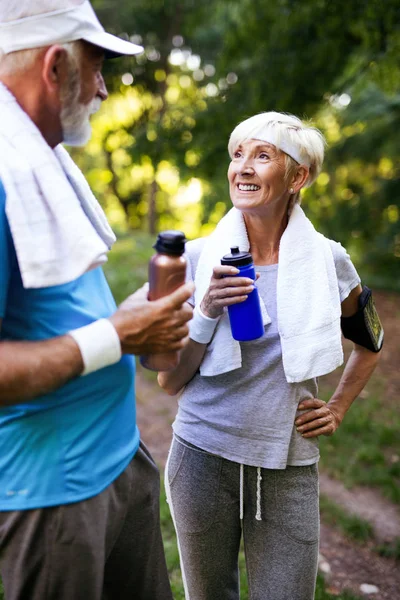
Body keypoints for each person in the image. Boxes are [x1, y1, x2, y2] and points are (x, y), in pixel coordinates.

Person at [0, 2, 194, 599]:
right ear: (57, 65)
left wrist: (141, 314)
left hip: (120, 461)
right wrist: (119, 336)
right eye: (98, 65)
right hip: (53, 497)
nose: (106, 89)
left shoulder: (42, 160)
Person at [158, 111, 384, 600]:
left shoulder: (329, 260)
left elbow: (370, 341)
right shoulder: (197, 259)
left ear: (297, 176)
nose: (243, 167)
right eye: (238, 154)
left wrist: (339, 406)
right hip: (201, 457)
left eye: (262, 156)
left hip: (288, 465)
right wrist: (206, 309)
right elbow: (168, 382)